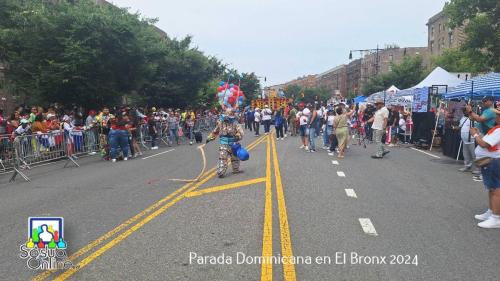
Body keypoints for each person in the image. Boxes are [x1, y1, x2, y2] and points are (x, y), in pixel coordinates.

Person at [470, 111, 500, 228]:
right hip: (491, 161)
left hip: (493, 161)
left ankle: (496, 217)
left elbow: (484, 144)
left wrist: (475, 135)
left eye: (498, 115)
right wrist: (479, 135)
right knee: (491, 188)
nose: (496, 116)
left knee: (496, 189)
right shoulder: (496, 129)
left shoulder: (498, 130)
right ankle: (492, 212)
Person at [207, 109, 244, 178]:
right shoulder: (221, 123)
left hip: (233, 143)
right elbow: (215, 132)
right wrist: (209, 138)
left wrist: (238, 136)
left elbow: (240, 132)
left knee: (235, 157)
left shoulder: (235, 123)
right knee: (222, 158)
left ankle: (236, 169)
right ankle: (221, 172)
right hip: (223, 143)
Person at [453, 108, 479, 174]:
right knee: (466, 154)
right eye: (464, 111)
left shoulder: (473, 119)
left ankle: (477, 168)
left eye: (465, 111)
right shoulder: (463, 118)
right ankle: (467, 166)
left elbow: (477, 128)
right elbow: (460, 126)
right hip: (464, 140)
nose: (464, 112)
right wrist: (454, 127)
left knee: (473, 155)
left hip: (471, 140)